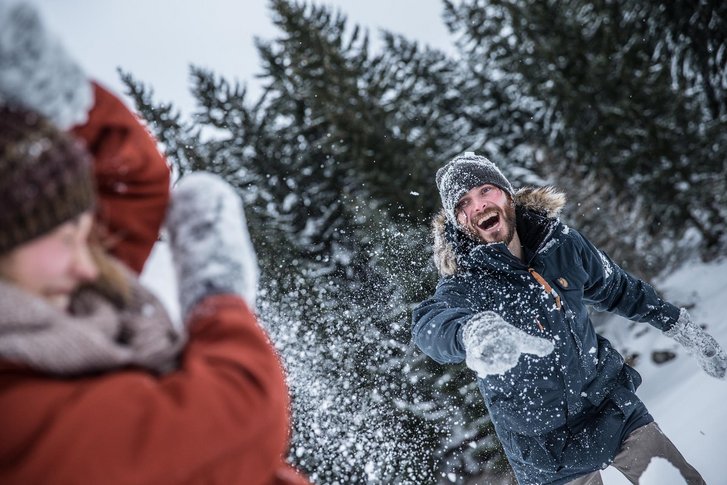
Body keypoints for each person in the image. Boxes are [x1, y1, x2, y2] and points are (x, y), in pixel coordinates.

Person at [0, 4, 308, 483]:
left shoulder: (54, 307)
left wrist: (50, 95)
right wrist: (216, 298)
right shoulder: (18, 421)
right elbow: (241, 413)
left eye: (87, 237)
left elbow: (132, 184)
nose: (88, 267)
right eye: (66, 239)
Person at [412, 152, 726, 484]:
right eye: (463, 203)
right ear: (458, 221)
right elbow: (430, 325)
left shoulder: (560, 244)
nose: (478, 205)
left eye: (485, 190)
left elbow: (619, 289)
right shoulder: (467, 283)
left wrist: (678, 325)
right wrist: (469, 332)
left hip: (610, 409)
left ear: (506, 193)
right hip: (543, 452)